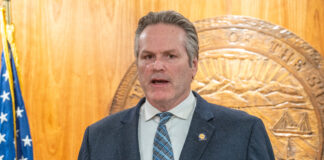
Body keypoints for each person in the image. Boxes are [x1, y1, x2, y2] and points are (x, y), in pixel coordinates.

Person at [78, 10, 275, 160]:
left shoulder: (244, 131)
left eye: (170, 56)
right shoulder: (97, 137)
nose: (157, 66)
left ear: (193, 65)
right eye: (147, 56)